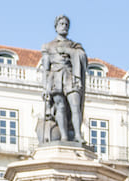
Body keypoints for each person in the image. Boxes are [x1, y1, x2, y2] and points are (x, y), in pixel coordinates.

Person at [38, 14, 88, 144]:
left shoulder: (74, 45)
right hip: (55, 77)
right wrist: (45, 88)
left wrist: (69, 51)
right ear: (56, 27)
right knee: (60, 107)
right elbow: (46, 69)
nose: (64, 27)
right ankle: (64, 136)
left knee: (75, 106)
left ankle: (77, 135)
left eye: (66, 24)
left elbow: (82, 57)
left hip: (71, 76)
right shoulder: (48, 46)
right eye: (61, 24)